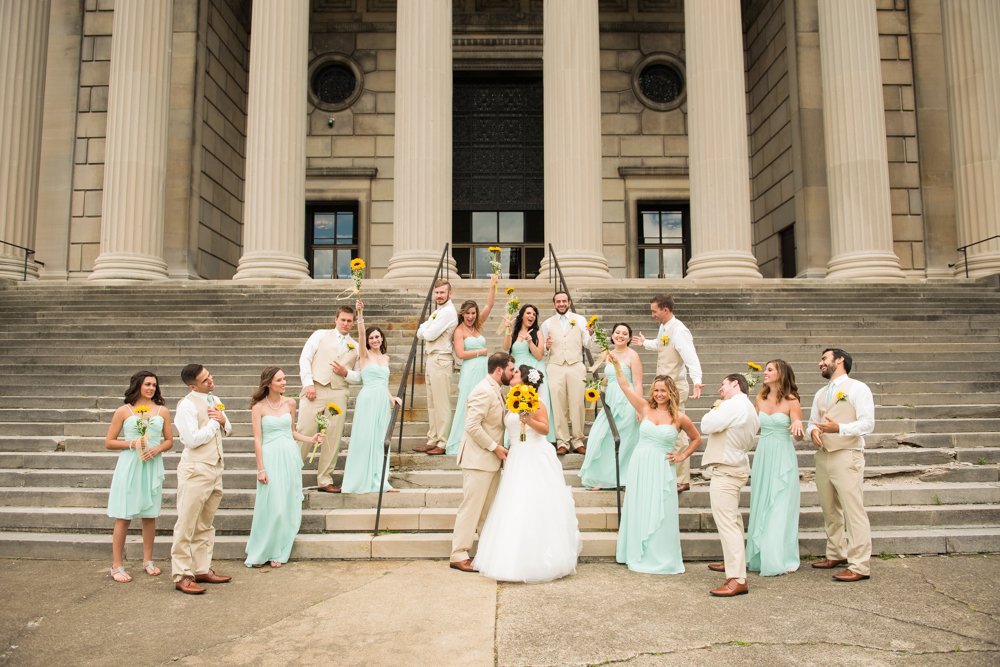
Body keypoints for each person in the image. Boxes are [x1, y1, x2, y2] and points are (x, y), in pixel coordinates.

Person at [472, 365, 582, 582]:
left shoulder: (536, 401)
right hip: (517, 456)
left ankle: (538, 559)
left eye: (515, 373)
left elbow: (545, 429)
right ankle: (511, 557)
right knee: (514, 502)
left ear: (524, 380)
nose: (511, 375)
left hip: (535, 454)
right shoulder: (511, 398)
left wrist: (528, 419)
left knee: (534, 502)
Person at [609, 356, 701, 575]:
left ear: (671, 393)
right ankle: (635, 552)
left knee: (662, 510)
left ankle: (660, 556)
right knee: (639, 505)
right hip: (640, 464)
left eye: (664, 391)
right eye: (657, 390)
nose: (659, 394)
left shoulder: (679, 417)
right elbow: (624, 385)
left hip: (662, 467)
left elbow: (697, 439)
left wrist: (682, 456)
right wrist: (616, 365)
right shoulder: (644, 408)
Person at [806, 348, 875, 582]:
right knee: (829, 509)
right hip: (824, 455)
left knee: (853, 511)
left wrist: (841, 429)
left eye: (824, 359)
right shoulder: (820, 393)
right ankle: (836, 553)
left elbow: (868, 424)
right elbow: (811, 423)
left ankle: (860, 565)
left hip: (847, 453)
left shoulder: (858, 388)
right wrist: (813, 432)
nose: (820, 363)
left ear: (840, 360)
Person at [245, 367, 322, 568]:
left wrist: (310, 439)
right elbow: (257, 439)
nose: (284, 382)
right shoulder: (258, 407)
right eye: (279, 380)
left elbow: (292, 432)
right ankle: (262, 550)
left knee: (286, 503)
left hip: (289, 454)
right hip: (270, 456)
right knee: (271, 505)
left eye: (284, 379)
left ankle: (278, 549)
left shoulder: (290, 403)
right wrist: (260, 468)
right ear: (269, 383)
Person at [449, 352, 516, 572]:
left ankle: (487, 553)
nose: (513, 374)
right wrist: (495, 447)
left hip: (491, 462)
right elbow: (472, 426)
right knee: (471, 508)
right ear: (499, 370)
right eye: (510, 370)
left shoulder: (496, 389)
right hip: (478, 460)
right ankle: (458, 554)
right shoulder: (483, 390)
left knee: (487, 512)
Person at [105, 371, 174, 583]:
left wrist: (157, 450)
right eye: (147, 384)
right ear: (138, 385)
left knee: (149, 515)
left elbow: (169, 440)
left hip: (151, 464)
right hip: (130, 465)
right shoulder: (123, 411)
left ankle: (148, 560)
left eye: (154, 385)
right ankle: (117, 566)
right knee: (124, 516)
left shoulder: (162, 411)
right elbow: (109, 442)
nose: (151, 388)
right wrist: (132, 443)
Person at [632, 294, 704, 493]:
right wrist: (645, 343)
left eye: (654, 311)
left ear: (665, 310)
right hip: (663, 386)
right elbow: (661, 344)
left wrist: (697, 381)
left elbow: (691, 357)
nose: (652, 314)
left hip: (675, 388)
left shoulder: (680, 330)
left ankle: (682, 478)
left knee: (676, 431)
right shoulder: (664, 326)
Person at [171, 364, 232, 595]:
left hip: (215, 467)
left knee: (205, 524)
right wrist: (216, 422)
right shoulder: (186, 405)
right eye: (205, 379)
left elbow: (229, 427)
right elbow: (192, 440)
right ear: (192, 385)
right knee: (186, 523)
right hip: (195, 469)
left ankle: (201, 569)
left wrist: (222, 421)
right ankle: (182, 574)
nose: (211, 380)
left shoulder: (214, 399)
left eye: (210, 376)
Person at [701, 374, 761, 597]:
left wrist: (717, 405)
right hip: (735, 467)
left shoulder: (733, 405)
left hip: (727, 471)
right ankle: (734, 566)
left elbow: (706, 424)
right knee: (733, 522)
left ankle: (737, 579)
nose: (720, 390)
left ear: (736, 383)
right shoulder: (749, 408)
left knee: (727, 524)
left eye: (722, 384)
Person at [746, 360, 804, 577]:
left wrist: (798, 427)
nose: (765, 373)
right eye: (765, 370)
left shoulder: (792, 400)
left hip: (782, 455)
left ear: (782, 373)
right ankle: (761, 555)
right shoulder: (759, 398)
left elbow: (797, 432)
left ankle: (780, 557)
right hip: (763, 454)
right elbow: (752, 425)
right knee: (762, 502)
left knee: (779, 505)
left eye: (770, 370)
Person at [341, 299, 403, 493]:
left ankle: (380, 481)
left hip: (382, 402)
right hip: (368, 400)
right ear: (367, 341)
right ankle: (361, 479)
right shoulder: (364, 355)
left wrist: (391, 397)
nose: (375, 340)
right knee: (365, 439)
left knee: (380, 440)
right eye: (371, 338)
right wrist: (360, 314)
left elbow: (384, 383)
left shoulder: (386, 358)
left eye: (377, 337)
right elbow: (360, 333)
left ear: (382, 338)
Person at [297, 305, 361, 493]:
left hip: (338, 392)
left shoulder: (356, 346)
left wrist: (345, 372)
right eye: (343, 319)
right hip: (314, 388)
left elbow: (359, 375)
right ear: (336, 319)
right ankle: (291, 472)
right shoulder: (319, 335)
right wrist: (308, 383)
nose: (346, 324)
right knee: (305, 430)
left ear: (353, 323)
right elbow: (305, 358)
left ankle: (325, 479)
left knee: (332, 436)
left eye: (349, 321)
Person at [579, 323, 643, 489]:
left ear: (629, 338)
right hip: (611, 401)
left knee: (626, 441)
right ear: (612, 335)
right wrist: (596, 385)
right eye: (617, 332)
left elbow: (638, 383)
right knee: (599, 435)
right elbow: (609, 377)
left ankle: (624, 479)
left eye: (624, 333)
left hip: (628, 401)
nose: (620, 335)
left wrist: (640, 407)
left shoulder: (633, 355)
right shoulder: (609, 354)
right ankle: (602, 478)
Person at [445, 274, 499, 456]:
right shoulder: (459, 330)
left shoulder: (478, 325)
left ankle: (481, 439)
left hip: (483, 370)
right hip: (469, 370)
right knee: (467, 403)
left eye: (473, 313)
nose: (470, 316)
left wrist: (493, 285)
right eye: (467, 313)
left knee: (484, 402)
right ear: (462, 313)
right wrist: (480, 352)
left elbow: (489, 305)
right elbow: (460, 354)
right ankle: (459, 440)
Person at [540, 292, 594, 454]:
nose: (561, 304)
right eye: (558, 301)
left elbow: (587, 344)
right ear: (554, 304)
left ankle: (578, 440)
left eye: (564, 301)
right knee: (558, 404)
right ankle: (562, 441)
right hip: (555, 366)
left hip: (576, 364)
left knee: (577, 403)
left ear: (569, 302)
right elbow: (543, 349)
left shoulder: (580, 320)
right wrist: (547, 346)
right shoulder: (547, 324)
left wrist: (591, 335)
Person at [414, 279, 459, 456]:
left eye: (442, 293)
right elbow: (420, 332)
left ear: (450, 294)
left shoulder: (448, 312)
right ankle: (432, 439)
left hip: (442, 359)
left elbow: (429, 333)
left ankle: (443, 441)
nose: (439, 296)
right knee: (431, 403)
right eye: (437, 293)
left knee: (442, 404)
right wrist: (426, 329)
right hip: (432, 358)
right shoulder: (438, 311)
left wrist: (426, 329)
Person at [502, 303, 556, 444]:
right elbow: (506, 347)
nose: (531, 316)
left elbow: (539, 356)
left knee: (537, 401)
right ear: (522, 316)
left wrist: (530, 342)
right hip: (518, 372)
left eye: (534, 314)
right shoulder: (514, 333)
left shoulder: (536, 333)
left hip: (533, 370)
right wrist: (508, 328)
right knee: (517, 400)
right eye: (528, 313)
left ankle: (540, 435)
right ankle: (517, 434)